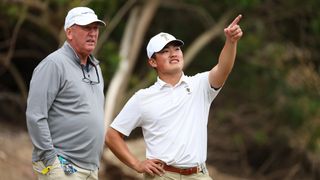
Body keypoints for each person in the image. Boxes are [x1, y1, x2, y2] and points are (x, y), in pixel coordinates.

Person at [105, 14, 243, 180]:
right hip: (162, 175)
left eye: (176, 49)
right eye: (165, 51)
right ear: (153, 62)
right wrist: (137, 164)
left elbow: (223, 68)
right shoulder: (142, 98)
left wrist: (230, 42)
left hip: (198, 175)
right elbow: (112, 135)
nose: (173, 54)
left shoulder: (200, 85)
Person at [26, 7, 106, 180]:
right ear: (69, 32)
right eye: (87, 28)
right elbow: (35, 116)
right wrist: (50, 161)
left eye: (95, 28)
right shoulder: (53, 64)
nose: (93, 33)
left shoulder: (96, 68)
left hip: (91, 169)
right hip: (62, 166)